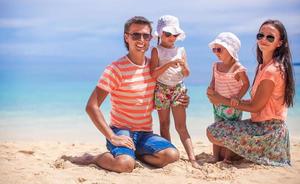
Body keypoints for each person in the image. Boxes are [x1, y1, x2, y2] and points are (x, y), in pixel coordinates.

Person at [65, 16, 191, 173]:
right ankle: (94, 158)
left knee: (172, 155)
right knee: (124, 165)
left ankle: (136, 153)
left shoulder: (155, 68)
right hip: (121, 130)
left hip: (145, 133)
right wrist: (112, 136)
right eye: (135, 35)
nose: (141, 39)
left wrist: (181, 99)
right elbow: (92, 106)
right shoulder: (115, 69)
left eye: (146, 35)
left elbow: (164, 94)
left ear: (151, 38)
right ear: (126, 37)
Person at [206, 19, 295, 166]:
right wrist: (223, 99)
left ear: (279, 43)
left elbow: (255, 107)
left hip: (269, 131)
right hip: (259, 125)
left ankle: (262, 152)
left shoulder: (272, 71)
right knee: (220, 148)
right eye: (260, 35)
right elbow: (256, 102)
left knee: (212, 132)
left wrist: (222, 100)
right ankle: (250, 153)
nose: (263, 39)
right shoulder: (262, 67)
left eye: (270, 37)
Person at [150, 15, 199, 168]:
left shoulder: (181, 50)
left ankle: (192, 158)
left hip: (178, 88)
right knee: (164, 124)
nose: (172, 37)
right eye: (168, 34)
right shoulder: (156, 50)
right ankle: (170, 154)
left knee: (181, 126)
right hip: (161, 89)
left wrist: (183, 67)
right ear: (160, 34)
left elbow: (187, 73)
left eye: (175, 34)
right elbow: (153, 74)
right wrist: (169, 63)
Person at [207, 32, 250, 163]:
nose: (216, 52)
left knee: (231, 132)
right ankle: (215, 156)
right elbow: (213, 81)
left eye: (219, 49)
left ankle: (228, 158)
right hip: (218, 105)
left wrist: (238, 97)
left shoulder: (237, 67)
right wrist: (210, 89)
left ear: (230, 50)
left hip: (232, 106)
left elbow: (246, 84)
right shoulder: (216, 65)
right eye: (214, 49)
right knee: (217, 128)